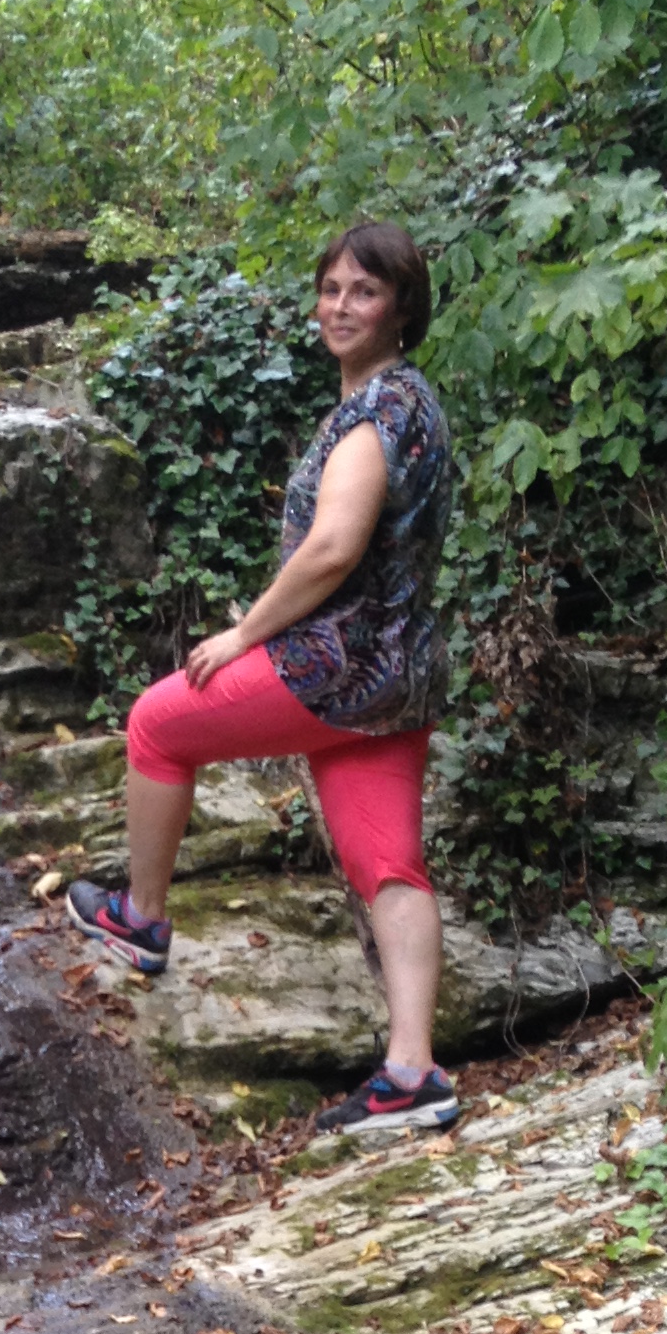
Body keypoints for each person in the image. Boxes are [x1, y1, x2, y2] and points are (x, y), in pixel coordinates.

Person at [67, 221, 458, 1137]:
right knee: (388, 861)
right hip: (400, 676)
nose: (340, 306)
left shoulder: (376, 413)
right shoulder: (414, 402)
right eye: (331, 289)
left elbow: (331, 549)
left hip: (337, 662)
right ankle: (413, 1073)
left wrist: (245, 632)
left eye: (364, 291)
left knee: (158, 724)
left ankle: (142, 921)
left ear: (402, 307)